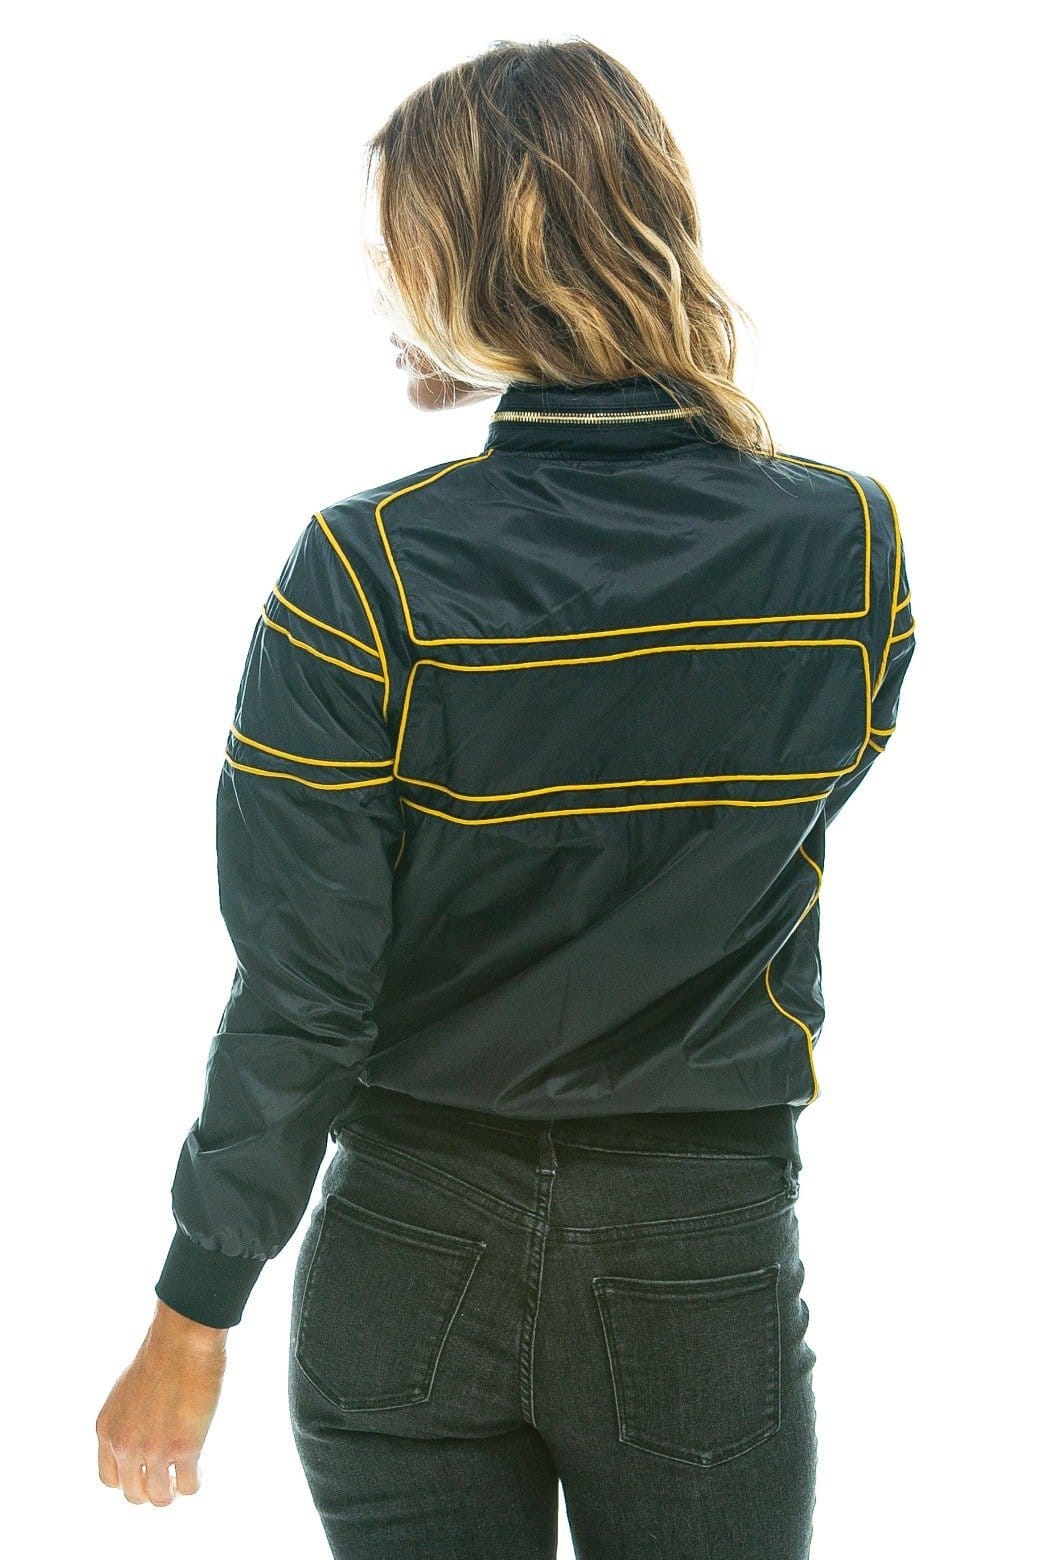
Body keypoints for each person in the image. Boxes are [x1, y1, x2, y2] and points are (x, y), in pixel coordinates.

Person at [95, 36, 916, 1559]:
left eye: (397, 248)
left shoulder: (363, 573)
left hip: (408, 1251)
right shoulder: (849, 547)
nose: (382, 289)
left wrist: (191, 1313)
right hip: (697, 1250)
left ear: (462, 261)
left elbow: (302, 993)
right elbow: (773, 823)